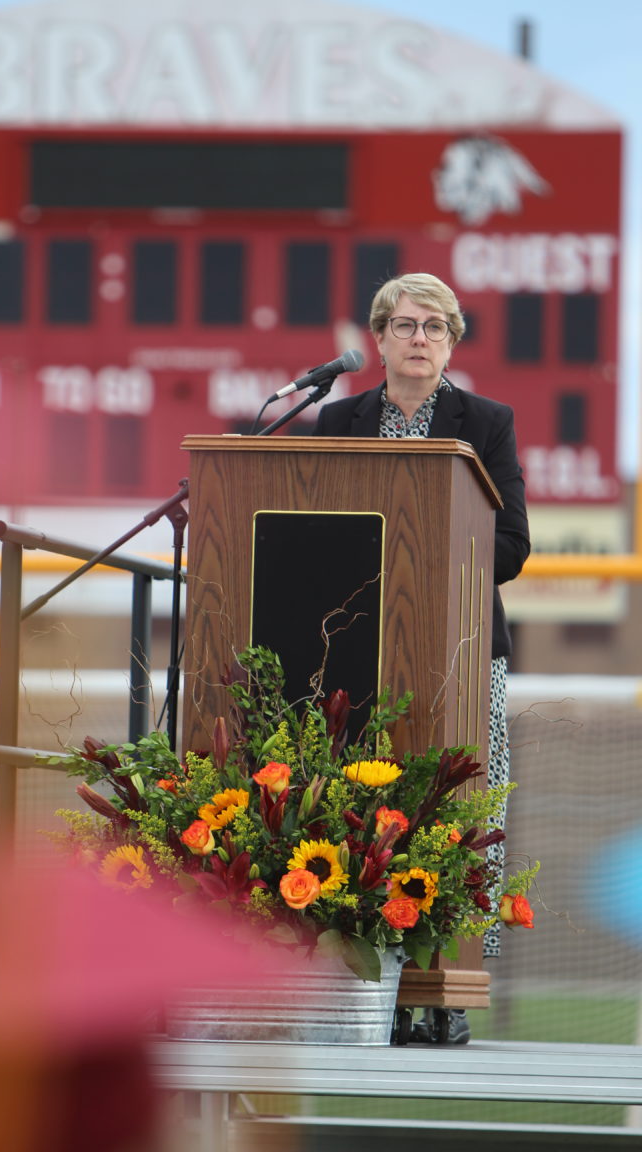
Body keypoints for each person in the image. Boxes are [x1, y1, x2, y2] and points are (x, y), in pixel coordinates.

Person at [313, 271, 530, 1044]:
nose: (419, 339)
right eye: (405, 325)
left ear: (451, 343)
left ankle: (444, 991)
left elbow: (512, 546)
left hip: (459, 653)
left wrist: (423, 556)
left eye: (435, 327)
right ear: (378, 339)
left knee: (460, 814)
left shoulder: (487, 423)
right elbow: (312, 531)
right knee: (359, 815)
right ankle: (364, 984)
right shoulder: (336, 421)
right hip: (353, 659)